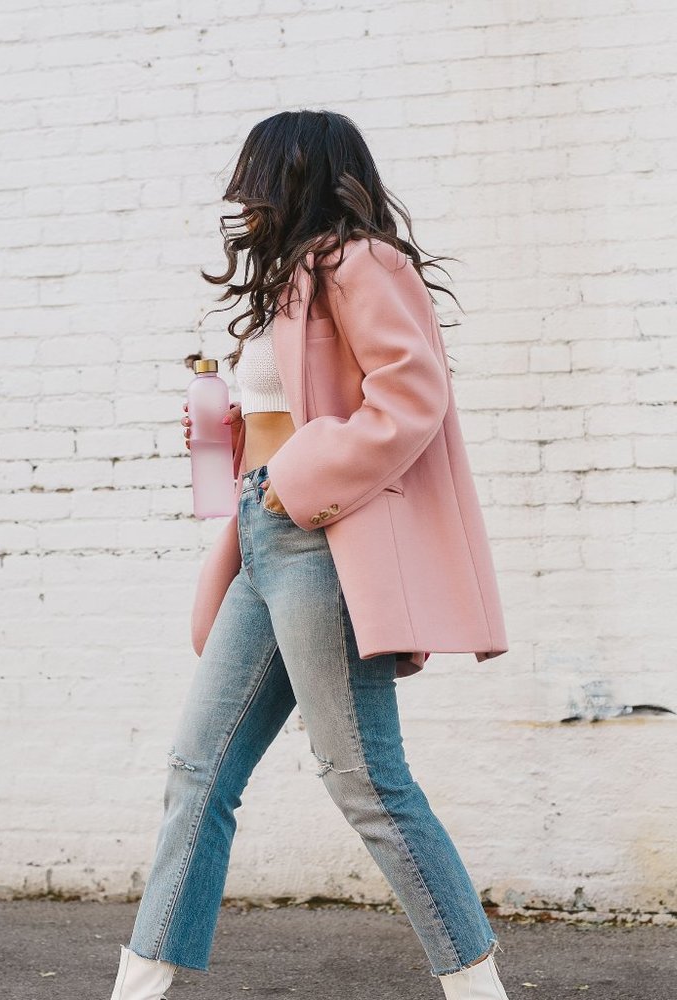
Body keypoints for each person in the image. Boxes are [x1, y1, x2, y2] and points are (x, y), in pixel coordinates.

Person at [108, 110, 512, 1000]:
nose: (243, 200)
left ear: (297, 176)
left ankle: (476, 986)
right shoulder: (286, 283)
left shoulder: (360, 262)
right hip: (262, 531)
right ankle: (138, 989)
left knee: (363, 776)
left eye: (257, 179)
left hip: (320, 537)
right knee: (195, 770)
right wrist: (227, 440)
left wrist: (293, 478)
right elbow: (281, 411)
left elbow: (409, 397)